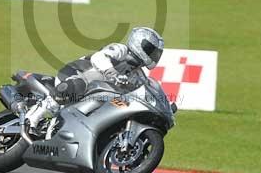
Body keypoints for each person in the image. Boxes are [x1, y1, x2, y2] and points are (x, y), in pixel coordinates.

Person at [25, 27, 165, 129]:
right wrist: (112, 73)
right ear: (140, 43)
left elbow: (142, 89)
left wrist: (162, 104)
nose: (154, 56)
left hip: (94, 95)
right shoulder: (121, 50)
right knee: (78, 85)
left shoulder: (138, 74)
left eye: (156, 53)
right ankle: (34, 116)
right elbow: (98, 58)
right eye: (151, 50)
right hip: (75, 74)